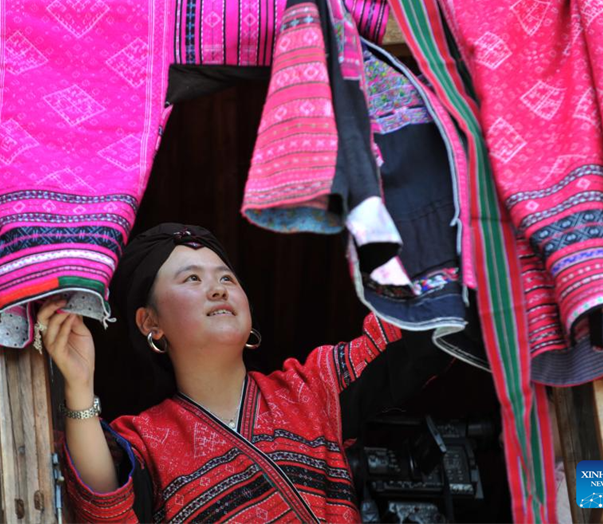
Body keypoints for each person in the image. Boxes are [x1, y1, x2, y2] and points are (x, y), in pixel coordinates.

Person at [36, 223, 409, 523]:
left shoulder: (311, 389)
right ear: (150, 322)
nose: (217, 289)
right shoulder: (145, 442)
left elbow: (413, 332)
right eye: (192, 279)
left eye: (227, 278)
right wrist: (80, 386)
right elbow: (106, 504)